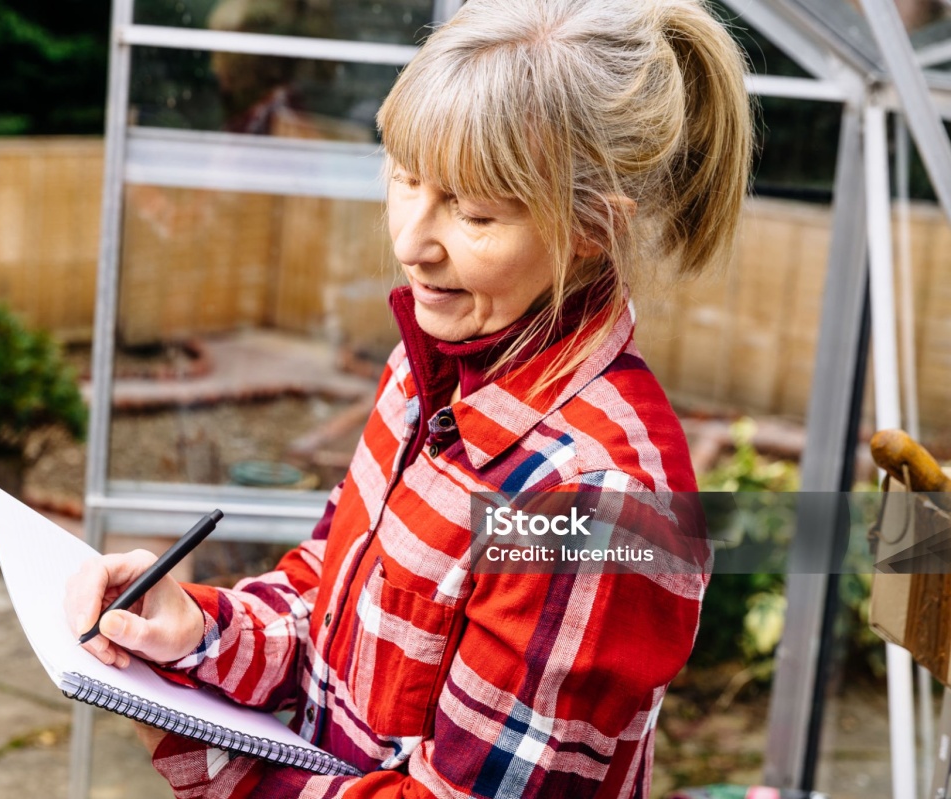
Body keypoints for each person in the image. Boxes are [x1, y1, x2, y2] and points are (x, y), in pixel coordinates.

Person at [65, 0, 751, 795]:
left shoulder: (598, 505)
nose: (411, 243)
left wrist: (194, 744)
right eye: (405, 178)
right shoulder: (428, 365)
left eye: (474, 210)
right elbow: (329, 601)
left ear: (591, 228)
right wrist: (195, 631)